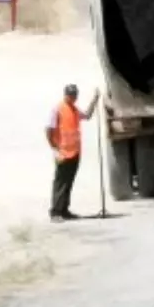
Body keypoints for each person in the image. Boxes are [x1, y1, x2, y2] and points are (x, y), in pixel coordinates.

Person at [46, 83, 99, 221]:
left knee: (69, 182)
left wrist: (95, 99)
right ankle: (55, 212)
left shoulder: (74, 109)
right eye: (71, 95)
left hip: (75, 152)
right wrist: (55, 149)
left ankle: (64, 210)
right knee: (60, 182)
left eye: (75, 95)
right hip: (62, 152)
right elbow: (49, 130)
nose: (73, 98)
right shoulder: (57, 109)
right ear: (65, 95)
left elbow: (87, 116)